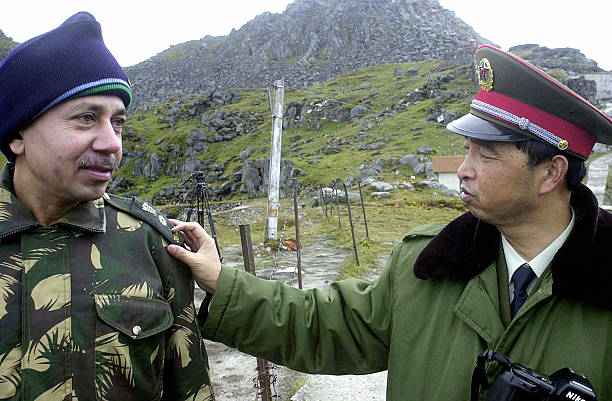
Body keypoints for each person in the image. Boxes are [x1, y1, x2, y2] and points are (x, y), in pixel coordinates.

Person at [169, 46, 612, 399]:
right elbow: (326, 326)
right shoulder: (425, 264)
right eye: (466, 150)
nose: (463, 169)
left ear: (551, 173)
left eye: (486, 153)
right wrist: (221, 281)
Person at [0, 12, 213, 400]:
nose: (112, 143)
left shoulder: (153, 242)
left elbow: (190, 387)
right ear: (17, 134)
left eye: (118, 123)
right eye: (86, 118)